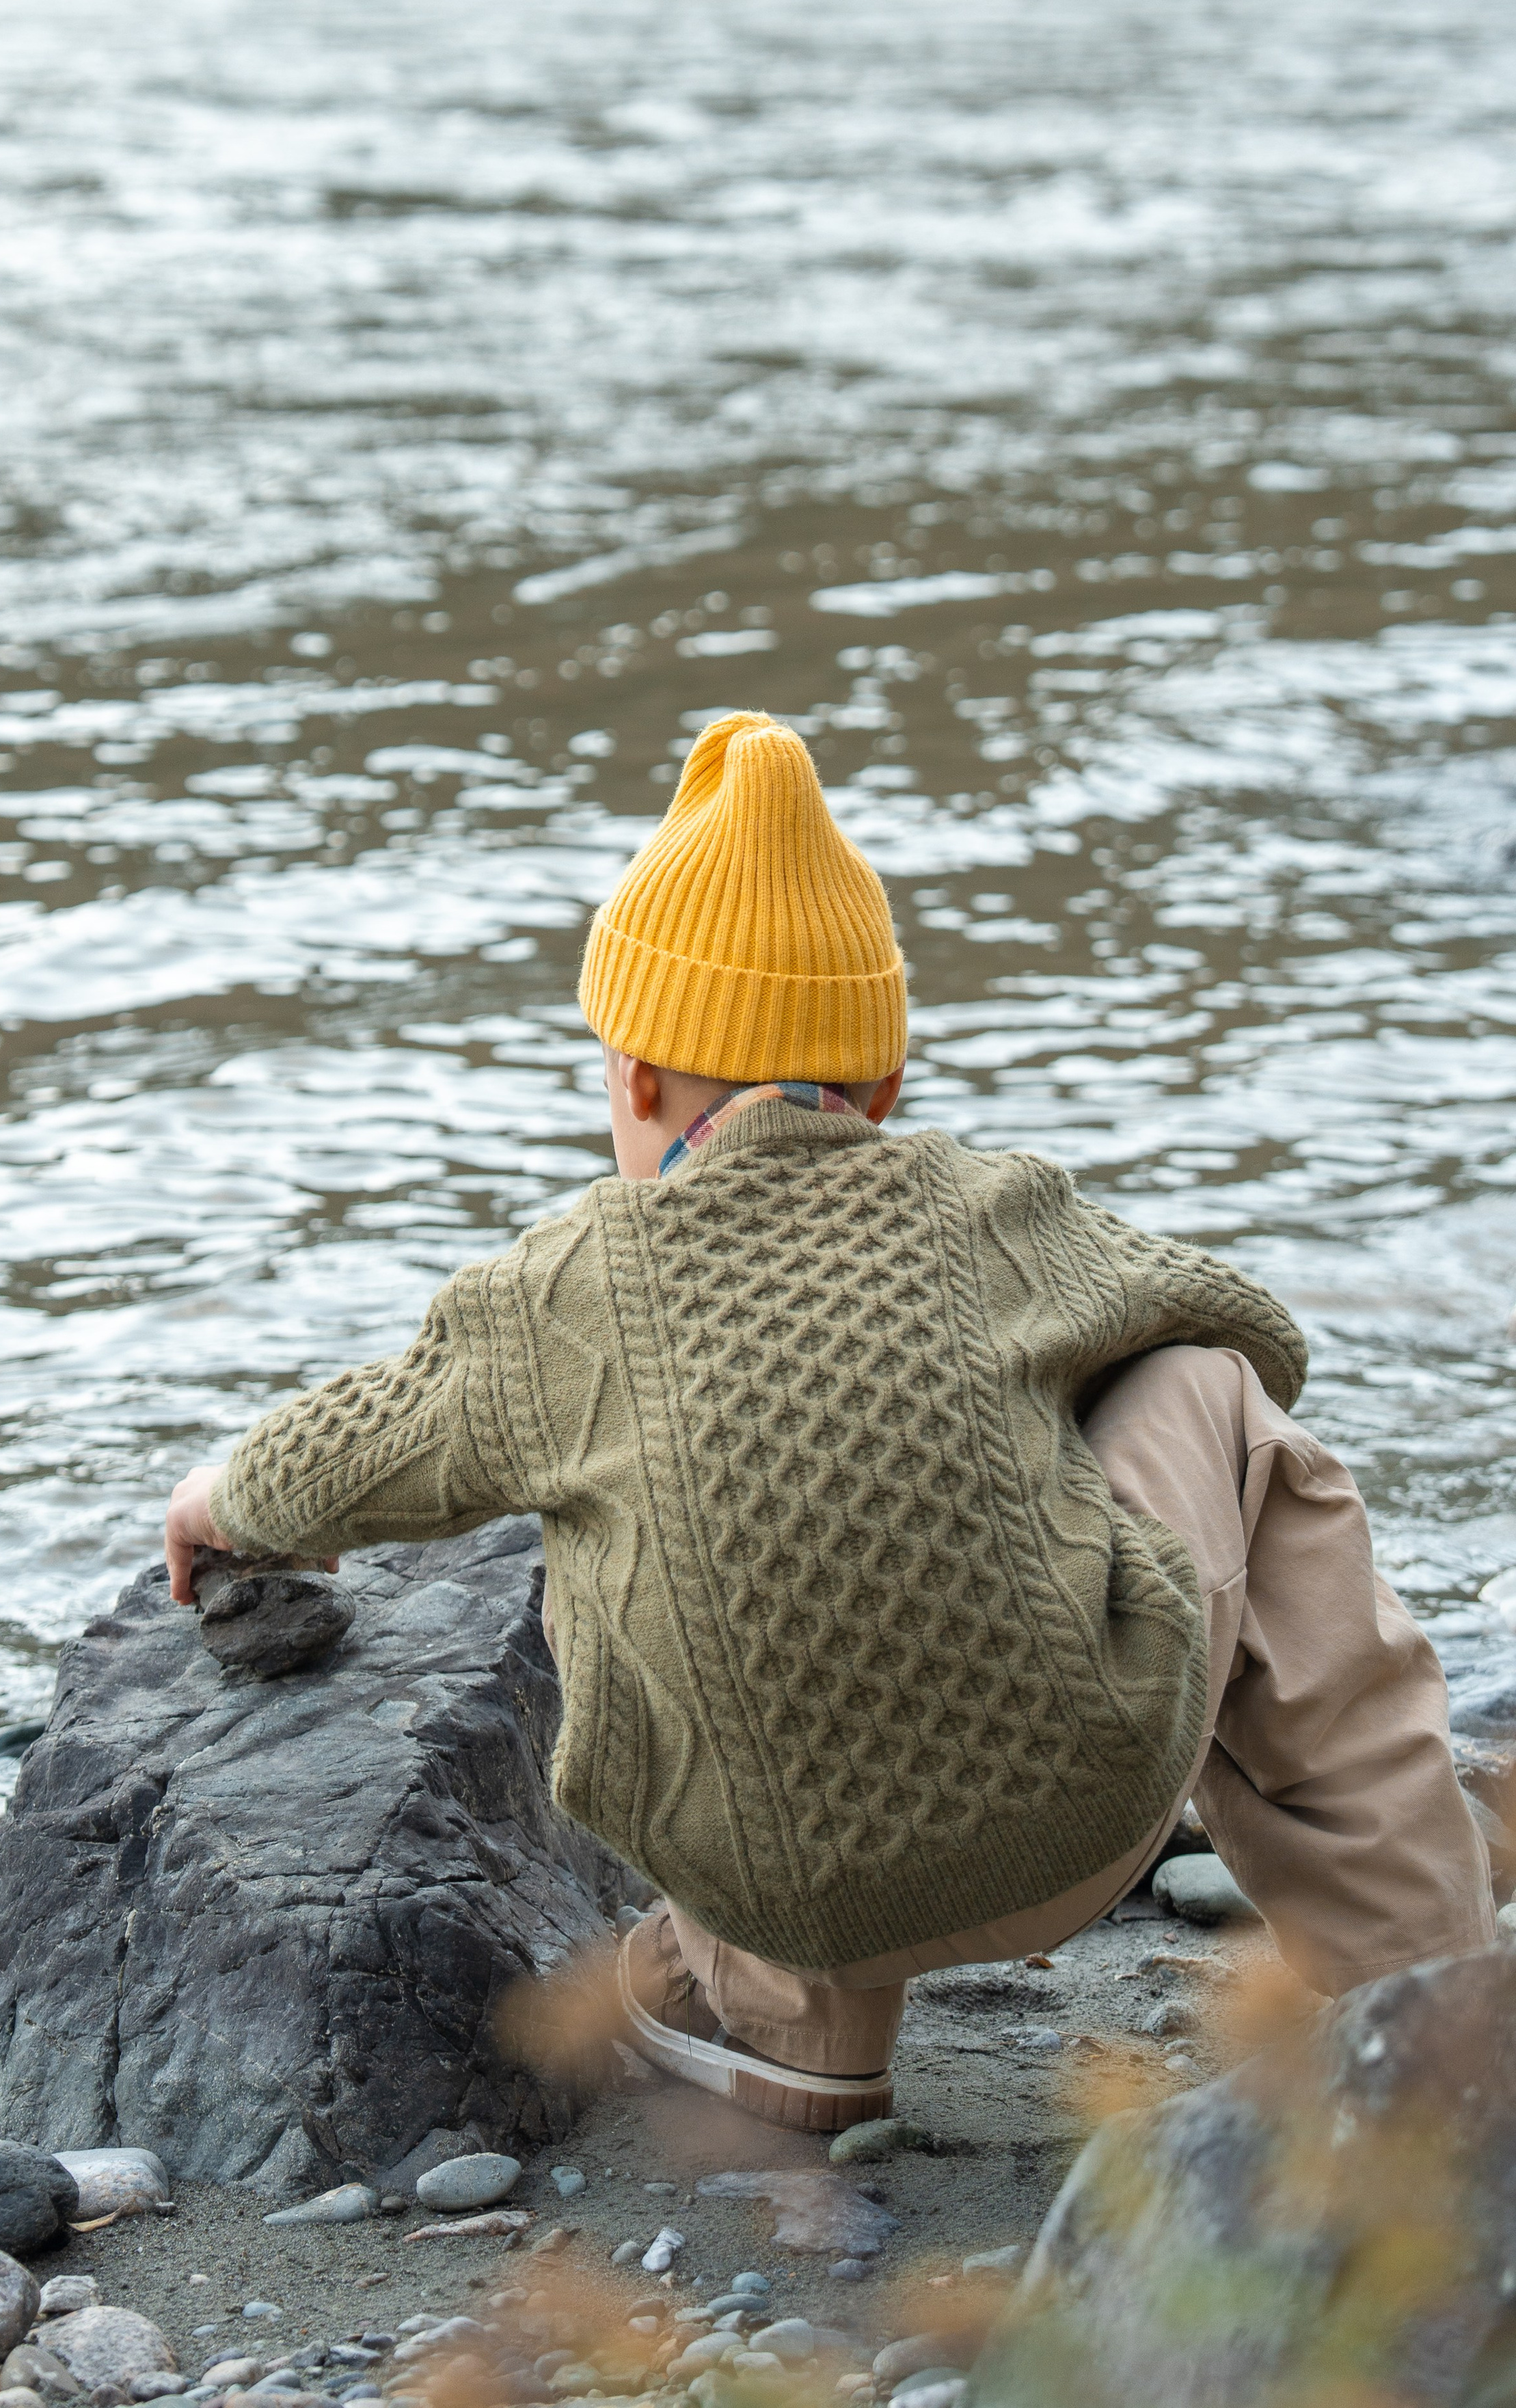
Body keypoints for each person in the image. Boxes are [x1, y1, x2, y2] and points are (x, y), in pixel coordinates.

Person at [164, 710, 1493, 2132]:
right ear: (883, 1084)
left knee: (631, 1520)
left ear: (632, 1077)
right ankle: (1419, 1990)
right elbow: (1245, 1325)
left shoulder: (561, 1290)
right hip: (1077, 1828)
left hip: (771, 1885)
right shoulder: (991, 1207)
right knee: (1210, 1395)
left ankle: (776, 2020)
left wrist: (221, 1499)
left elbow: (367, 1441)